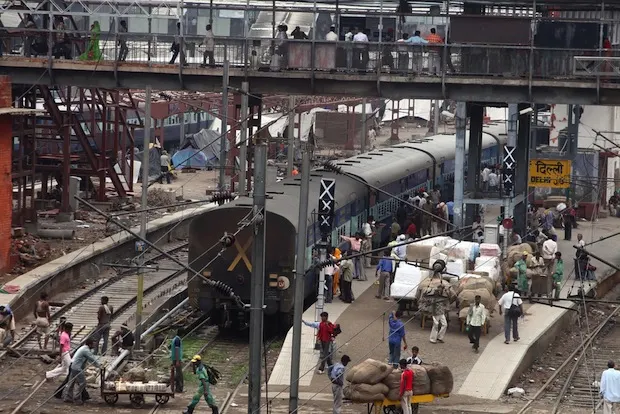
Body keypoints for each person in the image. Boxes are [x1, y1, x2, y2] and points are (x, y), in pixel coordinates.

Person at [63, 338, 102, 405]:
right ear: (90, 344)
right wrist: (99, 365)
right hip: (77, 367)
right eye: (93, 344)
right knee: (82, 383)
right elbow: (92, 358)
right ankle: (77, 398)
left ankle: (68, 397)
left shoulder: (84, 348)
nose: (94, 345)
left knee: (71, 382)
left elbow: (89, 359)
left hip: (73, 365)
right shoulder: (85, 350)